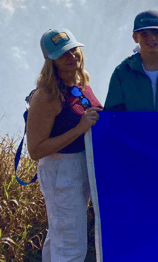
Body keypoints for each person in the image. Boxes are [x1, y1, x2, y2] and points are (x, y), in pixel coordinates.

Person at [27, 28, 103, 261]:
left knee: (60, 238)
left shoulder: (81, 83)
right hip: (61, 170)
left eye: (72, 50)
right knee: (70, 244)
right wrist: (79, 129)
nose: (70, 57)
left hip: (80, 167)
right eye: (62, 54)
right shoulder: (47, 95)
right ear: (50, 60)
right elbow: (35, 150)